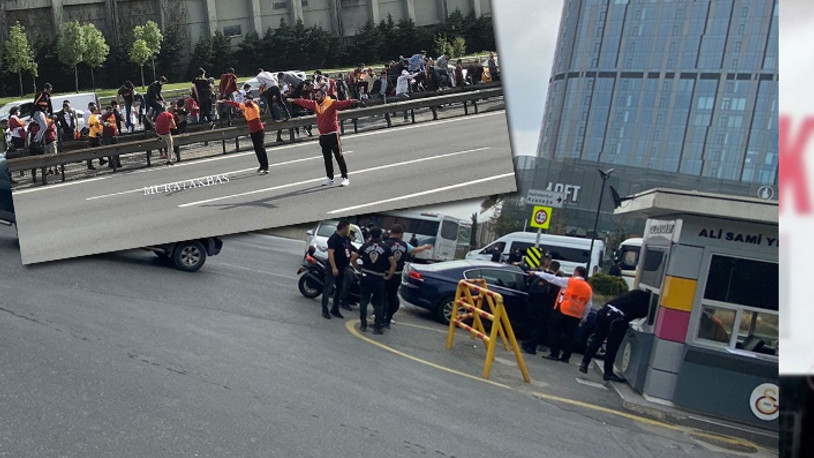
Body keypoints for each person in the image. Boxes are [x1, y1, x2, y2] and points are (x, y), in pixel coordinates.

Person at [289, 89, 359, 187]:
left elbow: (341, 104)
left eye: (317, 95)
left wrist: (351, 101)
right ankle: (330, 178)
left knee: (339, 156)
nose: (315, 97)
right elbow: (306, 103)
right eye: (315, 95)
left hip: (333, 134)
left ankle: (345, 177)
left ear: (323, 95)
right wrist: (294, 100)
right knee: (327, 158)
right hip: (323, 135)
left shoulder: (331, 103)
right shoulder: (316, 104)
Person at [580, 289, 651, 382]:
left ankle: (585, 362)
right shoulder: (646, 302)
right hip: (616, 319)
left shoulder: (635, 293)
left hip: (605, 311)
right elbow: (636, 315)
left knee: (597, 339)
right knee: (612, 347)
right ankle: (608, 373)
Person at [530, 265, 593, 363]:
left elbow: (552, 279)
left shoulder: (569, 281)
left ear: (576, 272)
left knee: (554, 332)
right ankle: (566, 357)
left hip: (563, 310)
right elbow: (588, 305)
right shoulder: (588, 288)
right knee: (570, 336)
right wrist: (584, 317)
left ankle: (554, 353)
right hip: (576, 314)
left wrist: (536, 273)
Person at [383, 224, 433, 329]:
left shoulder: (384, 243)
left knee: (382, 296)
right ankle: (388, 319)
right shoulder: (405, 245)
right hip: (397, 274)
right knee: (392, 296)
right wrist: (425, 247)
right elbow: (415, 250)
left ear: (391, 232)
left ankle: (378, 315)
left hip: (385, 273)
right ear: (401, 234)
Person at [350, 226, 396, 334]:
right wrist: (389, 276)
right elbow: (393, 264)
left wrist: (360, 269)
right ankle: (377, 326)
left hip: (366, 276)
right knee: (379, 303)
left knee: (364, 300)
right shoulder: (386, 248)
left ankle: (363, 324)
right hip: (379, 278)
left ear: (370, 235)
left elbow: (353, 259)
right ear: (380, 235)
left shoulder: (365, 246)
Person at [218, 94, 269, 174]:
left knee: (261, 148)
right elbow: (235, 104)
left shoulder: (254, 106)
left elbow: (250, 103)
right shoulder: (245, 107)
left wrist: (249, 101)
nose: (244, 101)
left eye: (245, 99)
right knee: (257, 149)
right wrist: (225, 101)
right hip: (253, 131)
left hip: (259, 130)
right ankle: (261, 165)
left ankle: (266, 167)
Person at [521, 259, 561, 355]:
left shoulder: (539, 276)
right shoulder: (556, 280)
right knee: (539, 328)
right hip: (545, 309)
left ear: (549, 266)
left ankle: (529, 343)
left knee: (533, 326)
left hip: (532, 306)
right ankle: (532, 347)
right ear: (558, 269)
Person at [321, 221, 353, 320]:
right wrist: (334, 267)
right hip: (333, 268)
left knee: (340, 289)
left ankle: (335, 309)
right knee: (328, 288)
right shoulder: (333, 239)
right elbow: (330, 254)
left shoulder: (346, 239)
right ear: (342, 228)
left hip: (343, 267)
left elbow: (349, 249)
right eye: (347, 228)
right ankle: (324, 309)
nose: (348, 230)